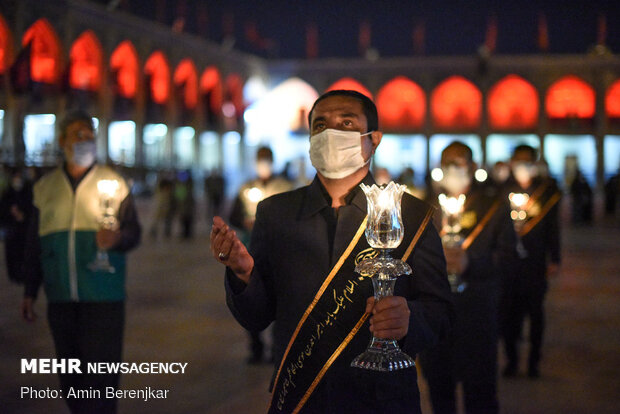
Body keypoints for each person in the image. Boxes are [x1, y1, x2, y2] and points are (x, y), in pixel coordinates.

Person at [210, 90, 453, 413]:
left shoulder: (411, 216)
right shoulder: (276, 213)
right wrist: (243, 274)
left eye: (347, 123)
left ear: (374, 139)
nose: (331, 133)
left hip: (382, 400)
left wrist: (411, 319)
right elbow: (257, 317)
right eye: (320, 125)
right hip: (302, 397)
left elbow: (442, 313)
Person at [21, 110, 141, 414]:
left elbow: (134, 231)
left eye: (90, 135)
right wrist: (29, 291)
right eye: (78, 134)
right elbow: (33, 243)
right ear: (62, 140)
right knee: (71, 376)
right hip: (60, 297)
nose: (85, 140)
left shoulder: (114, 183)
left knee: (101, 377)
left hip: (104, 297)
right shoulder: (44, 189)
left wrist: (118, 239)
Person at [418, 142, 517, 414]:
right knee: (439, 391)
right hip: (435, 313)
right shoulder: (424, 207)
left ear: (472, 167)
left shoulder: (492, 206)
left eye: (459, 162)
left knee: (480, 392)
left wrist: (471, 262)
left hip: (478, 311)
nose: (452, 168)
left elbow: (508, 256)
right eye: (446, 163)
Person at [500, 144, 561, 379]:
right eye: (519, 161)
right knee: (508, 315)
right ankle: (512, 360)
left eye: (528, 161)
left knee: (535, 314)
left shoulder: (546, 192)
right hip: (508, 263)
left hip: (535, 263)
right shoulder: (503, 190)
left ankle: (534, 361)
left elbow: (553, 229)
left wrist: (554, 257)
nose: (523, 166)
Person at [229, 146, 293, 363]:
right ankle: (256, 347)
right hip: (251, 248)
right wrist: (244, 223)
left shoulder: (285, 187)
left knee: (279, 301)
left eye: (266, 159)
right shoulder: (247, 187)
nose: (263, 163)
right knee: (252, 295)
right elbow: (234, 214)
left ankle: (277, 351)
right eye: (260, 159)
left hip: (280, 252)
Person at [0, 167, 34, 284]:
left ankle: (23, 275)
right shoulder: (7, 193)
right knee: (12, 254)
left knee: (23, 253)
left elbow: (31, 208)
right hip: (11, 229)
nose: (17, 180)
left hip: (24, 229)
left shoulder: (27, 191)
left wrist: (23, 215)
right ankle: (14, 275)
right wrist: (11, 212)